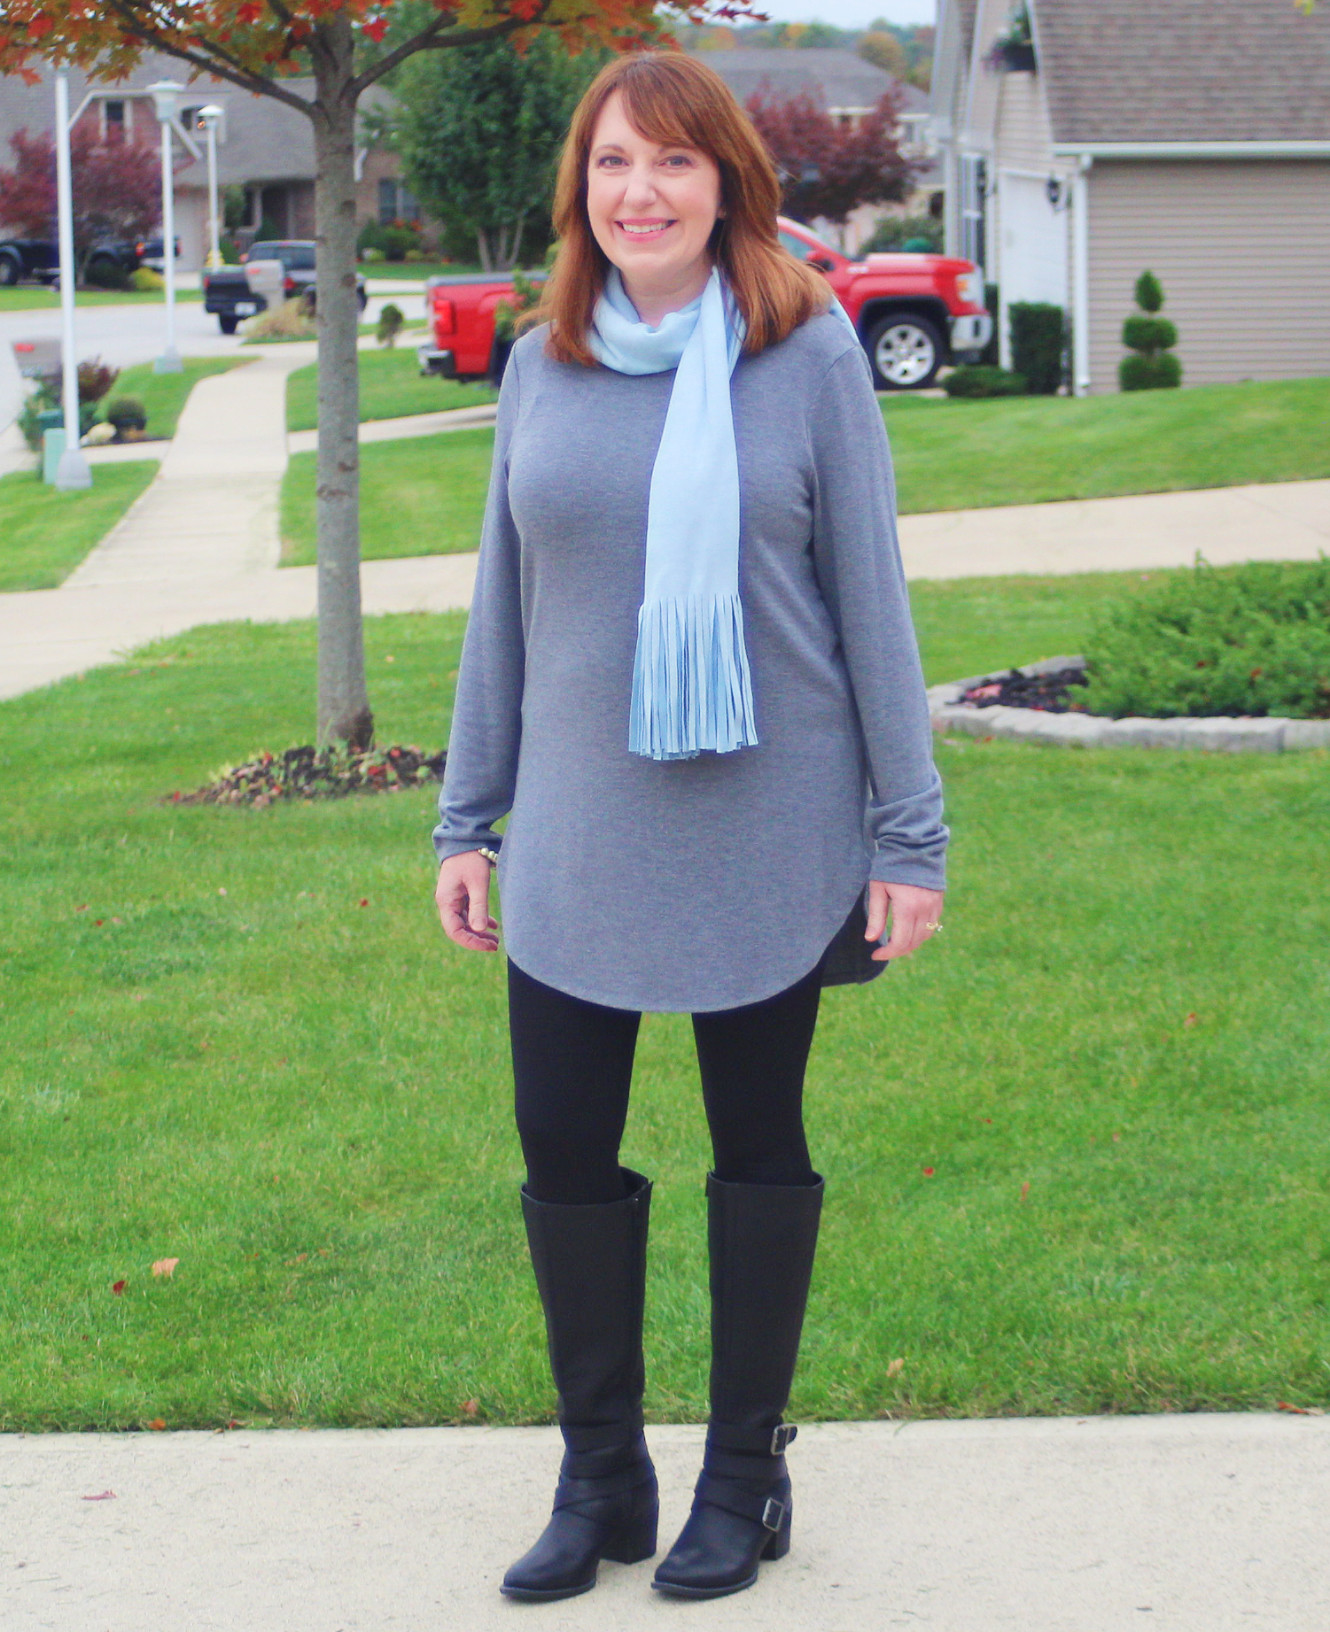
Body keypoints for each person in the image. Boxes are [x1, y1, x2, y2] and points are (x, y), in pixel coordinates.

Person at [432, 50, 947, 1604]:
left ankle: (743, 1475)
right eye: (609, 165)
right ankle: (602, 1479)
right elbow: (500, 617)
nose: (637, 192)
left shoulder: (809, 355)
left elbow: (870, 603)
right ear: (578, 189)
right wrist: (469, 816)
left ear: (726, 179)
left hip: (766, 827)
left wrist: (905, 836)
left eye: (669, 162)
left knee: (756, 1147)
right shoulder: (544, 358)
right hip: (580, 831)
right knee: (560, 1147)